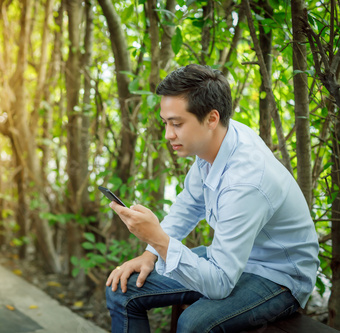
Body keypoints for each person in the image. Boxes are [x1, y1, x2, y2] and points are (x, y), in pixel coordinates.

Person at [105, 64, 320, 333]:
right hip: (231, 258)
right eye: (166, 123)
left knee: (194, 324)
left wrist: (157, 239)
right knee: (122, 288)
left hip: (277, 276)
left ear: (211, 118)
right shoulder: (215, 144)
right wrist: (151, 253)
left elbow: (219, 283)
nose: (168, 134)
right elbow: (190, 203)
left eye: (177, 124)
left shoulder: (246, 180)